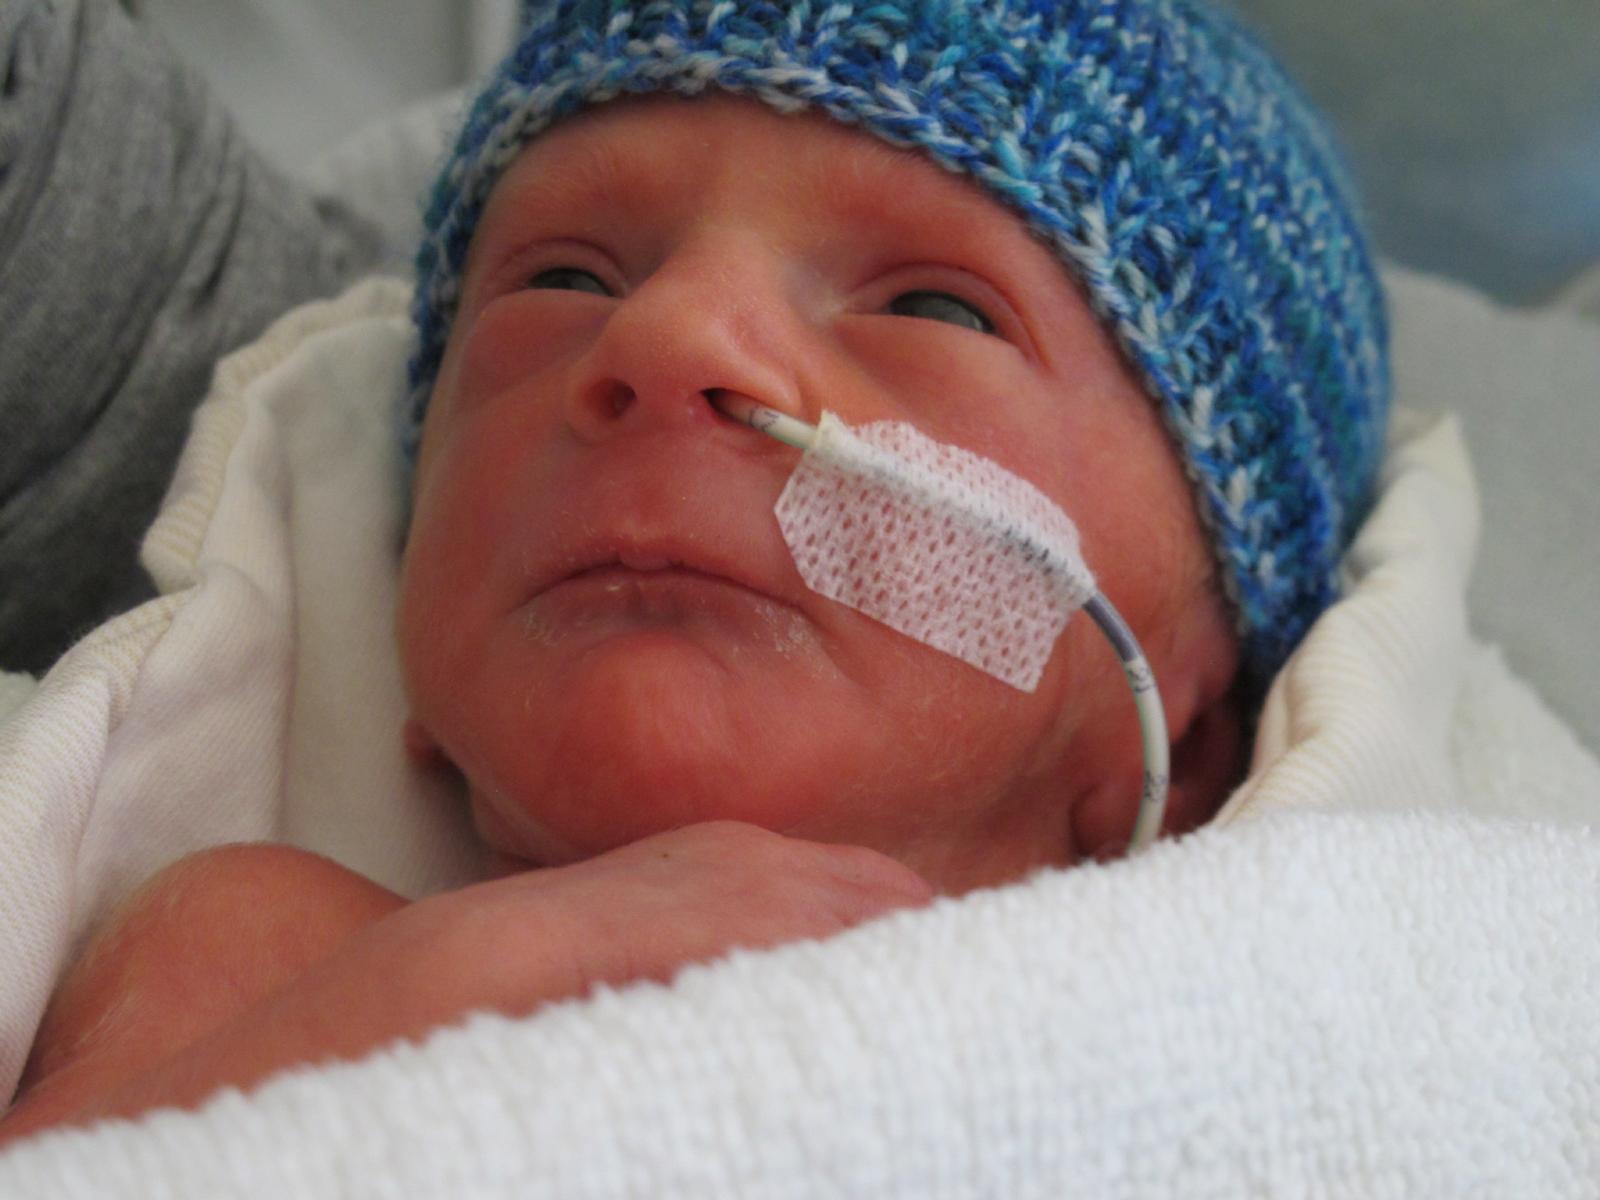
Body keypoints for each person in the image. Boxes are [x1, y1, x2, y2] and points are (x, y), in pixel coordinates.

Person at [0, 0, 1388, 1145]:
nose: (667, 337)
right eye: (566, 281)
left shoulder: (1245, 1056)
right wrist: (436, 992)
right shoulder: (254, 958)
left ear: (1183, 738)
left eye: (933, 306)